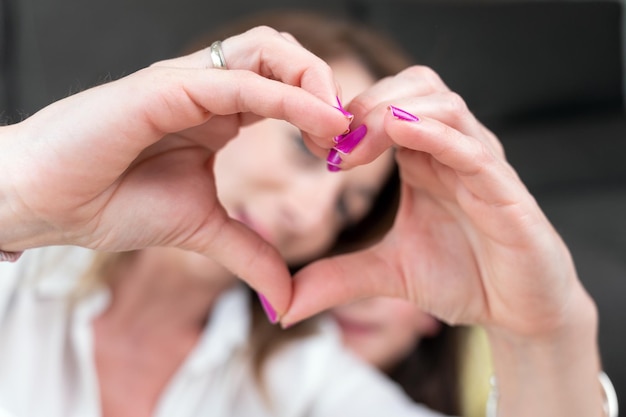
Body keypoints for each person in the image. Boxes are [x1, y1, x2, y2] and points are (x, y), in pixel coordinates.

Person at [0, 10, 614, 417]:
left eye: (347, 205)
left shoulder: (301, 379)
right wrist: (17, 191)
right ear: (219, 100)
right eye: (304, 148)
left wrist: (545, 334)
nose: (311, 213)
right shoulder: (19, 264)